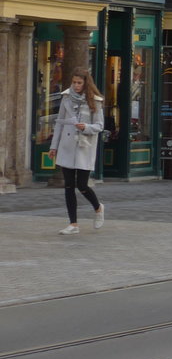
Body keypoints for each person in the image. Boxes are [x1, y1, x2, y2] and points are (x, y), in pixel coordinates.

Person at [49, 69, 106, 235]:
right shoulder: (66, 97)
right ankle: (73, 224)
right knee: (68, 186)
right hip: (67, 146)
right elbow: (59, 123)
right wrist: (54, 146)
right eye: (74, 82)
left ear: (85, 83)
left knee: (82, 185)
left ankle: (98, 207)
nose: (76, 85)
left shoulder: (95, 101)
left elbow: (100, 126)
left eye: (79, 83)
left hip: (84, 146)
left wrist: (86, 127)